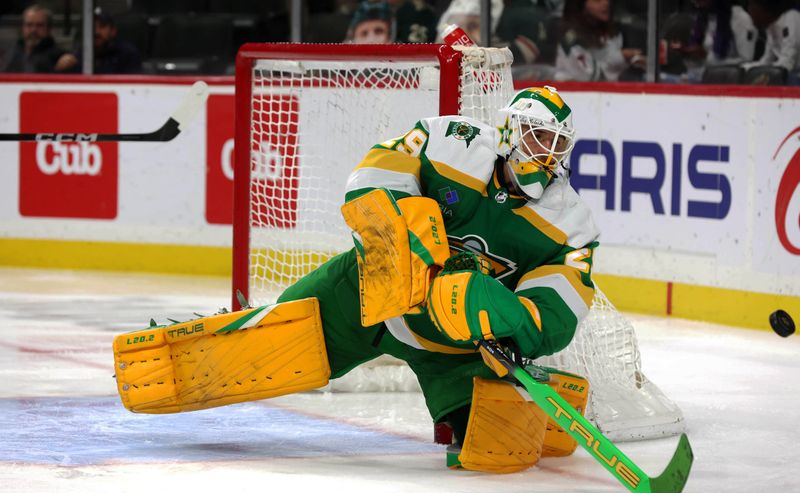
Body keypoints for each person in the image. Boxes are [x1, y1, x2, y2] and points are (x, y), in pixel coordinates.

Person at [114, 87, 599, 473]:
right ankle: (174, 352)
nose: (548, 153)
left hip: (452, 347)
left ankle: (519, 390)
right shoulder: (455, 141)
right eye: (538, 138)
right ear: (511, 132)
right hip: (369, 292)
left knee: (497, 451)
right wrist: (416, 250)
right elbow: (373, 177)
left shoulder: (571, 225)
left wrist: (505, 321)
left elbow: (557, 311)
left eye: (558, 144)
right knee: (270, 343)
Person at [554, 0, 646, 81]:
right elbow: (590, 79)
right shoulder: (572, 40)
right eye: (597, 0)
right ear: (581, 5)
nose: (606, 3)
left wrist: (634, 61)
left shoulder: (613, 32)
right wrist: (621, 57)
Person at [61, 9, 142, 74]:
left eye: (102, 26)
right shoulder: (78, 55)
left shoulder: (127, 54)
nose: (96, 32)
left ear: (113, 31)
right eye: (92, 26)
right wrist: (60, 69)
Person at [3, 4, 72, 73]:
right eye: (29, 25)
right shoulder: (11, 53)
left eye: (39, 25)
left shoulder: (60, 58)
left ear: (49, 29)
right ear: (22, 28)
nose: (33, 30)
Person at [746, 0, 800, 84]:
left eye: (752, 6)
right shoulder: (771, 27)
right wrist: (746, 68)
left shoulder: (791, 18)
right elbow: (766, 60)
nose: (749, 11)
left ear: (764, 8)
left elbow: (788, 63)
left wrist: (765, 72)